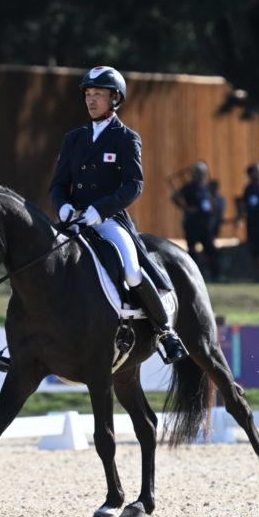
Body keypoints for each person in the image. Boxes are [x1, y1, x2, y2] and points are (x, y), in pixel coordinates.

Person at [49, 65, 187, 363]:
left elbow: (134, 185)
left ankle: (165, 332)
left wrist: (99, 211)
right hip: (73, 219)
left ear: (115, 98)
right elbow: (59, 185)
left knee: (132, 270)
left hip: (108, 219)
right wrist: (63, 207)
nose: (91, 99)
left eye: (98, 93)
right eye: (88, 93)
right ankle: (24, 339)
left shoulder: (125, 138)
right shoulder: (73, 138)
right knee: (41, 264)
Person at [171, 161, 220, 281]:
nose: (200, 175)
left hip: (207, 224)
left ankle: (215, 275)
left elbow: (214, 202)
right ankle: (193, 275)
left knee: (210, 249)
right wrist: (186, 208)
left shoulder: (209, 187)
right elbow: (175, 197)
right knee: (192, 250)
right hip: (192, 223)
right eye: (197, 172)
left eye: (202, 172)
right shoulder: (188, 187)